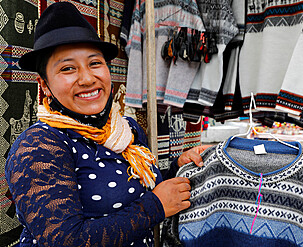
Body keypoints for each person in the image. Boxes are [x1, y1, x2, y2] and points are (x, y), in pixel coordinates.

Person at [5, 2, 211, 246]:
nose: (87, 78)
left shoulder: (126, 130)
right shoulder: (40, 146)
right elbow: (66, 240)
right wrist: (155, 207)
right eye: (68, 68)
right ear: (44, 85)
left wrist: (177, 166)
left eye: (95, 63)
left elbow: (136, 188)